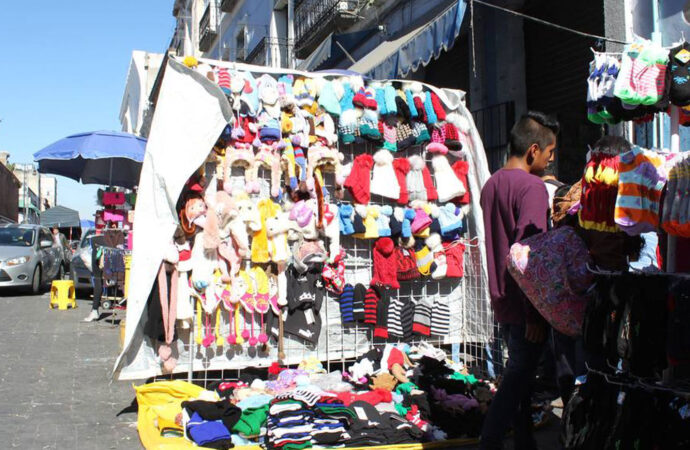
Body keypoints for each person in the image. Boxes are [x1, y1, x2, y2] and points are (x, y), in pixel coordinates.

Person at [479, 111, 559, 449]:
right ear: (533, 150)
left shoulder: (492, 184)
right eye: (550, 152)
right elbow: (531, 255)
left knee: (521, 376)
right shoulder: (533, 188)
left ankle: (525, 441)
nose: (552, 159)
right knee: (517, 377)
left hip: (503, 298)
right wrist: (536, 314)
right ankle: (490, 441)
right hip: (526, 302)